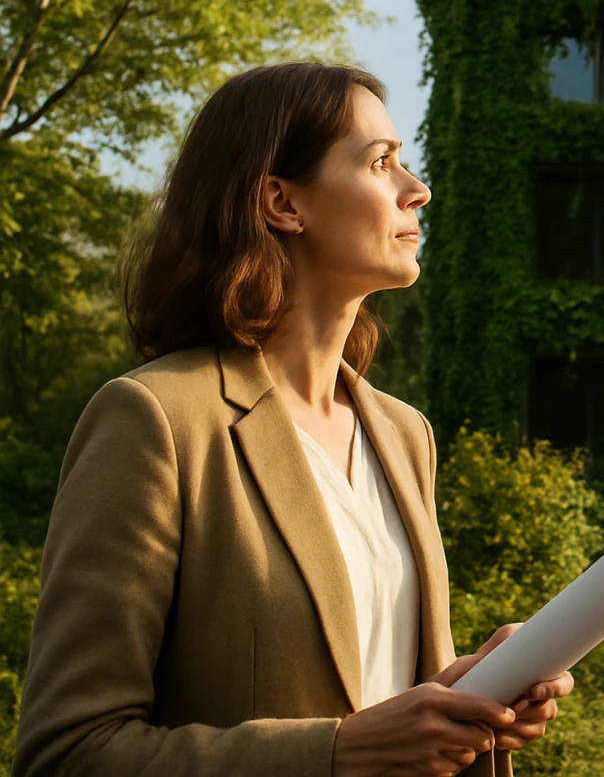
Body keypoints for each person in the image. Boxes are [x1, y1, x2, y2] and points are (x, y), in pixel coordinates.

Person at [13, 63, 573, 777]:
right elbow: (65, 752)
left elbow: (376, 685)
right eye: (381, 162)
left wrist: (467, 701)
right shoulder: (156, 422)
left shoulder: (405, 435)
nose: (418, 189)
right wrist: (332, 752)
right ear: (282, 201)